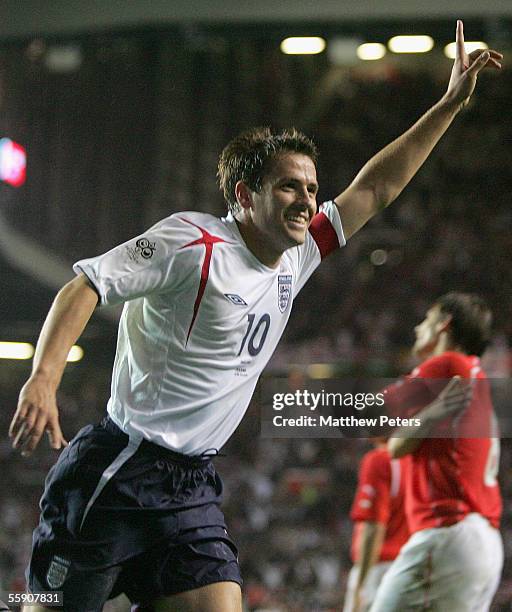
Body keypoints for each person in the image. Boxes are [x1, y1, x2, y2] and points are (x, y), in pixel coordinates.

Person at [8, 22, 501, 612]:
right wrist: (43, 377)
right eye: (289, 187)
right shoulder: (192, 243)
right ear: (244, 195)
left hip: (190, 487)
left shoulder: (301, 254)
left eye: (312, 189)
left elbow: (376, 189)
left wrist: (447, 106)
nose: (307, 201)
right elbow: (85, 286)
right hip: (116, 471)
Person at [369, 293, 503, 612]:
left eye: (426, 320)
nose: (418, 328)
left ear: (444, 325)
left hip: (448, 533)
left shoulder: (448, 364)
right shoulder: (476, 378)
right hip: (483, 541)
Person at [343, 439, 409, 612]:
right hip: (410, 566)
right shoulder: (417, 461)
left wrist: (360, 584)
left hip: (378, 568)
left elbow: (373, 528)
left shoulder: (379, 460)